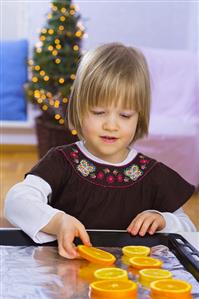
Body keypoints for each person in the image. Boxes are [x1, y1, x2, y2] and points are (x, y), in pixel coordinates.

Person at [4, 43, 196, 259]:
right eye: (98, 112)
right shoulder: (62, 161)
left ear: (139, 117)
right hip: (67, 279)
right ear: (79, 109)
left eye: (125, 115)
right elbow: (16, 201)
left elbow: (188, 230)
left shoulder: (153, 175)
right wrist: (57, 222)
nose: (111, 125)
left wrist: (163, 220)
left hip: (125, 285)